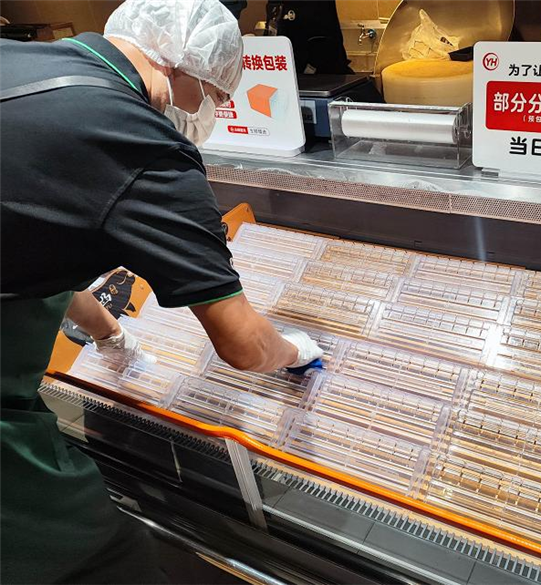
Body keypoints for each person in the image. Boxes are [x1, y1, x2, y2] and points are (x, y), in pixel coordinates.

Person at [0, 0, 323, 582]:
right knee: (98, 557)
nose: (214, 111)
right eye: (217, 94)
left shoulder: (24, 63)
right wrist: (294, 351)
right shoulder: (141, 146)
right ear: (180, 65)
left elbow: (34, 235)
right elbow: (242, 343)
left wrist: (110, 334)